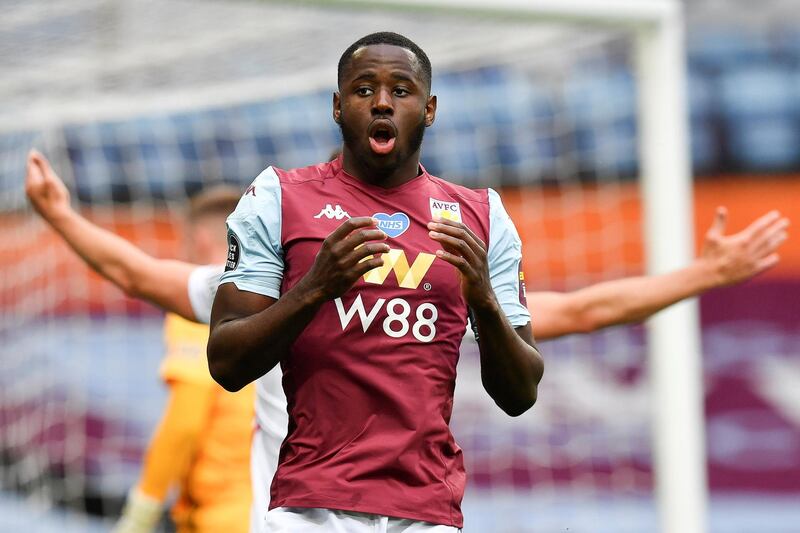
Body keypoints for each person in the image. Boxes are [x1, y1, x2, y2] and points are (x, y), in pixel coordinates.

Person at [26, 131, 787, 532]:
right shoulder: (256, 297)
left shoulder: (440, 295)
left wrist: (703, 276)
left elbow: (583, 310)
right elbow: (134, 272)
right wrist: (61, 216)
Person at [204, 32, 789, 532]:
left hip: (426, 505)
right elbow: (226, 364)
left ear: (429, 109)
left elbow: (520, 394)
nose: (382, 104)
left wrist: (482, 299)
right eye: (363, 90)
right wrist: (314, 289)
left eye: (400, 91)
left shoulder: (481, 216)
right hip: (313, 505)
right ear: (337, 106)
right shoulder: (280, 198)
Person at [24, 152, 254, 533]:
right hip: (271, 504)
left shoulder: (211, 304)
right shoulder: (275, 300)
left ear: (198, 238)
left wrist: (142, 507)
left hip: (227, 515)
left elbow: (186, 418)